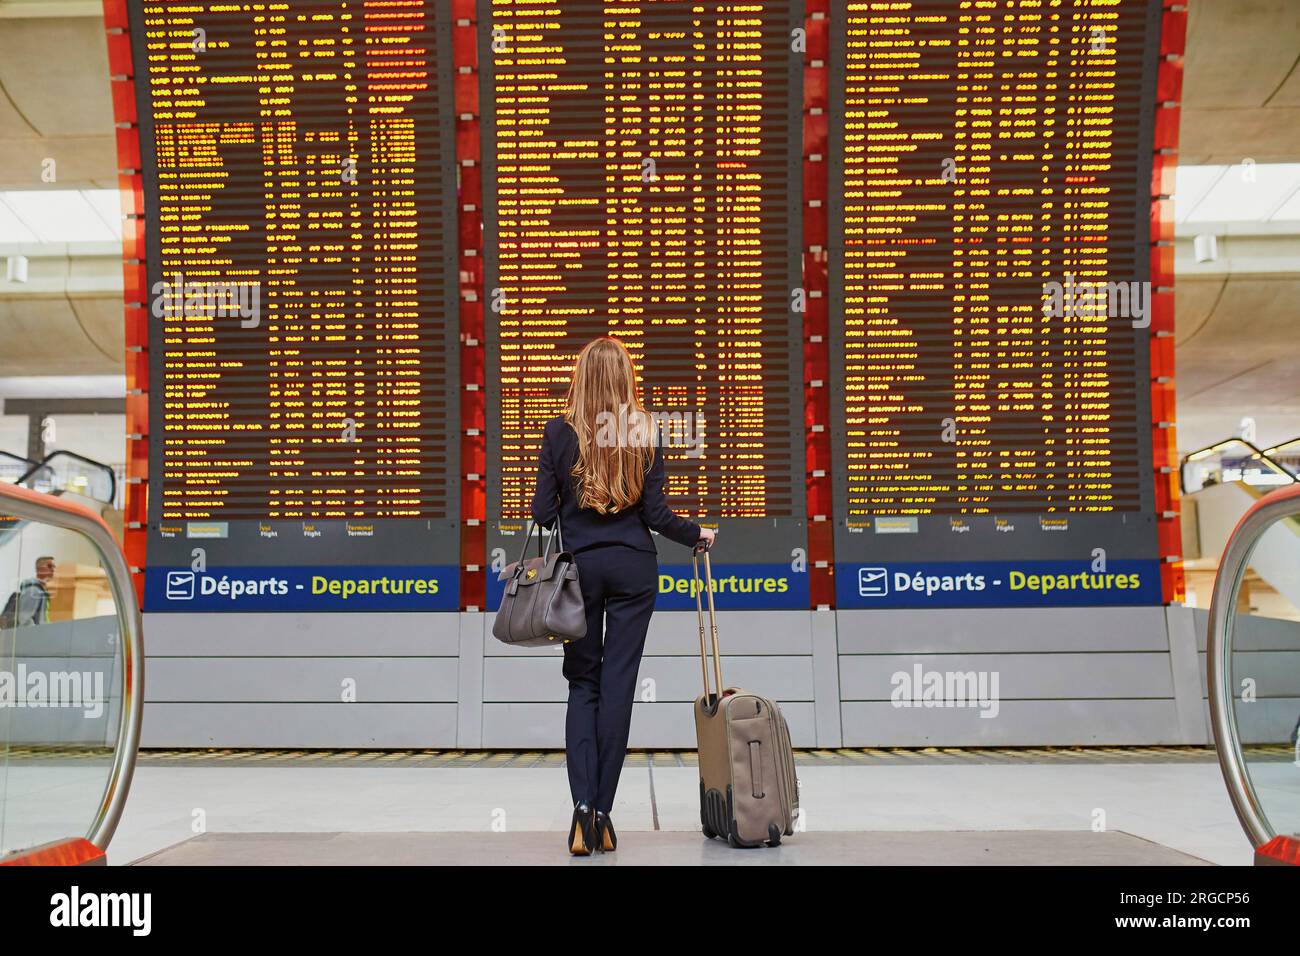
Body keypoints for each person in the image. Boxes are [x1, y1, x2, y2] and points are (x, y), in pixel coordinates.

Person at [531, 337, 714, 856]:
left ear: (581, 377)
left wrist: (564, 490)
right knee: (618, 688)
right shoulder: (645, 430)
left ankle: (581, 813)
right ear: (626, 378)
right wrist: (697, 532)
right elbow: (657, 516)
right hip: (634, 570)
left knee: (582, 685)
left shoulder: (559, 433)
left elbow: (543, 515)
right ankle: (605, 815)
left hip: (579, 574)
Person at [1, 555, 55, 628]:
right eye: (49, 566)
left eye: (54, 566)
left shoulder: (41, 592)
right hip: (32, 636)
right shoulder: (33, 590)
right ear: (39, 569)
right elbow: (24, 620)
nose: (53, 569)